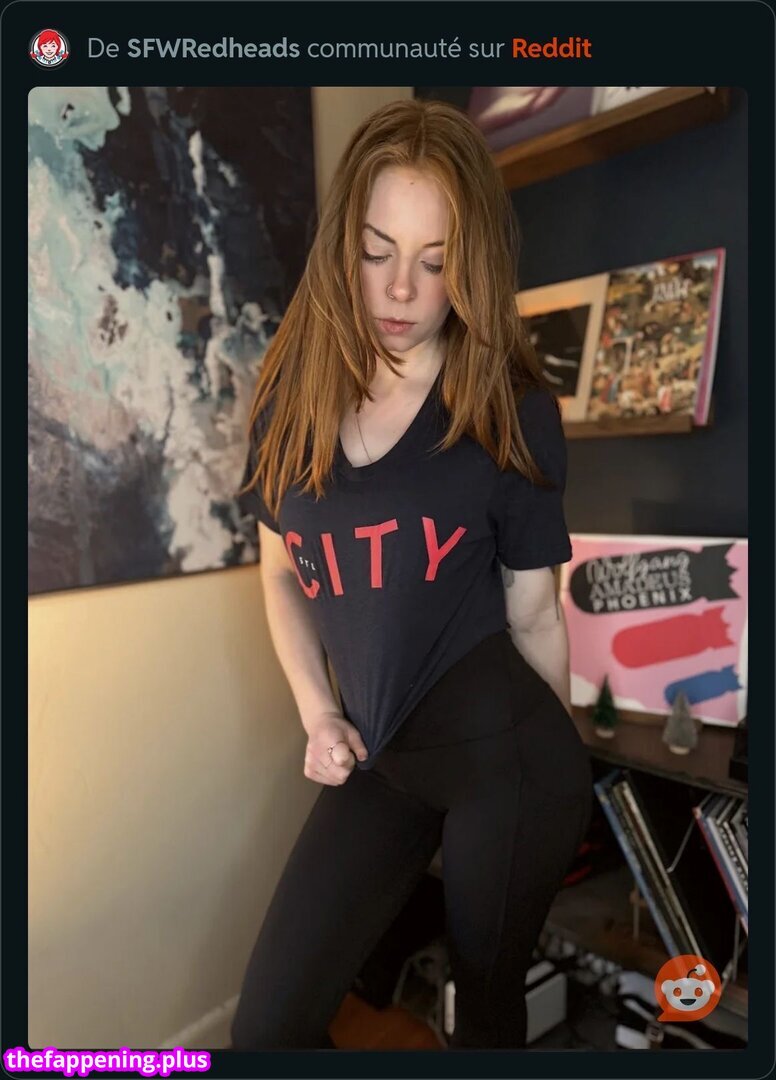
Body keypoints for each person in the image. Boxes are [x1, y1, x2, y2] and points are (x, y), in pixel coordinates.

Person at [231, 98, 593, 1051]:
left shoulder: (509, 410)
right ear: (341, 248)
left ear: (469, 267)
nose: (400, 289)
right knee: (268, 1026)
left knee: (483, 1020)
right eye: (376, 251)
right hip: (381, 756)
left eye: (435, 262)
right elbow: (281, 573)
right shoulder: (290, 402)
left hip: (508, 760)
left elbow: (535, 614)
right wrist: (318, 713)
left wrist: (556, 786)